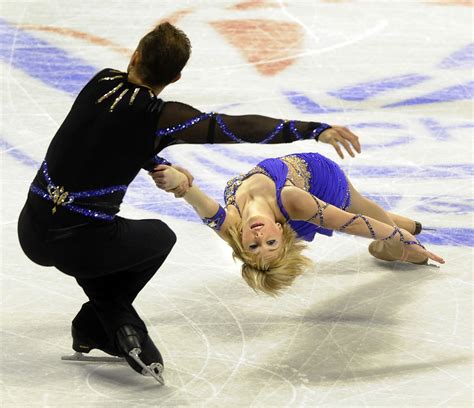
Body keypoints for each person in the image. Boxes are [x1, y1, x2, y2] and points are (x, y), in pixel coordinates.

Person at [17, 22, 362, 384]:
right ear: (178, 77)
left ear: (134, 55)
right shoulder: (161, 120)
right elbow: (237, 127)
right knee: (159, 238)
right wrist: (313, 129)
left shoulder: (101, 83)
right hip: (79, 246)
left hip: (31, 230)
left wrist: (154, 162)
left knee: (97, 248)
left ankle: (106, 328)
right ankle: (105, 323)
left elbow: (96, 138)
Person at [150, 152, 445, 296]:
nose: (259, 235)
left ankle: (402, 226)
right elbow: (352, 223)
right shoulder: (294, 201)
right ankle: (398, 240)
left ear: (240, 239)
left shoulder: (232, 226)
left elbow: (194, 197)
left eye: (255, 245)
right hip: (321, 186)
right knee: (391, 242)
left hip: (311, 173)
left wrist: (179, 182)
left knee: (367, 210)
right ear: (280, 232)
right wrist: (398, 237)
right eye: (270, 243)